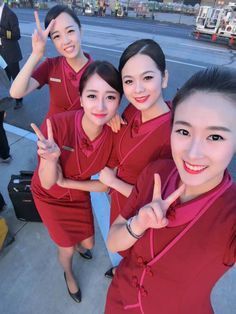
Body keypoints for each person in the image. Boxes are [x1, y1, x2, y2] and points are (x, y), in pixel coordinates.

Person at [105, 66, 236, 314]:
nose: (193, 153)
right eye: (184, 131)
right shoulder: (157, 172)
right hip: (119, 300)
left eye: (215, 137)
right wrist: (139, 223)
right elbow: (113, 242)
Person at [30, 60, 123, 303]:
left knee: (88, 243)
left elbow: (104, 184)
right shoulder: (57, 126)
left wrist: (70, 184)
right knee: (67, 249)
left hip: (77, 192)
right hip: (49, 196)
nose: (101, 106)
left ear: (119, 102)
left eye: (110, 97)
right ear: (80, 98)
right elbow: (49, 183)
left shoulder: (115, 136)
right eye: (92, 95)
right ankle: (68, 273)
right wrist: (50, 159)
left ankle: (75, 245)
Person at [99, 39, 172, 278]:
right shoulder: (132, 110)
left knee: (139, 253)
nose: (138, 89)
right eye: (129, 81)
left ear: (164, 78)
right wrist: (112, 122)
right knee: (122, 246)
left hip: (141, 212)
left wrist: (112, 182)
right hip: (120, 201)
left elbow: (159, 201)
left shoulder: (173, 135)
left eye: (147, 78)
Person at [10, 5, 92, 120]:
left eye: (70, 31)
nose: (66, 41)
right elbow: (15, 92)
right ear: (52, 41)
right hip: (52, 135)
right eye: (57, 36)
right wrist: (36, 54)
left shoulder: (99, 72)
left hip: (83, 137)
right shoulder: (51, 66)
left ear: (81, 31)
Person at [0, 0, 23, 109]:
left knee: (16, 77)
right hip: (0, 52)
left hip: (11, 52)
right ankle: (7, 97)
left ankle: (19, 100)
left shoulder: (10, 14)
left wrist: (2, 31)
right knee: (3, 76)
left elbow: (16, 35)